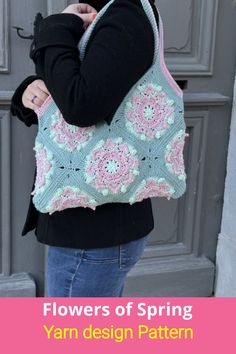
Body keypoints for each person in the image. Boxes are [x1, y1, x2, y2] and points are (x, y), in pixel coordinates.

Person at [10, 0, 158, 297]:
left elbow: (80, 105)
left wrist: (55, 27)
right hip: (90, 228)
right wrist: (28, 92)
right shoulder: (108, 13)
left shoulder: (125, 13)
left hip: (92, 236)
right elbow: (77, 88)